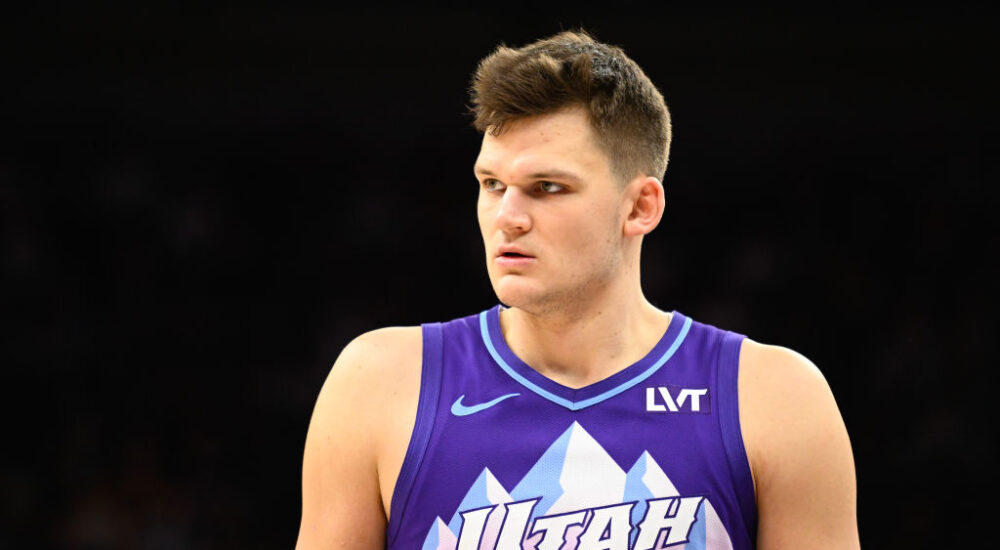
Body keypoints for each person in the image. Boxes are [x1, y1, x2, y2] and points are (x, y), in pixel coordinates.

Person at [296, 30, 859, 550]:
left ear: (640, 207)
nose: (507, 216)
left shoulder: (775, 398)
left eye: (546, 187)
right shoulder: (380, 383)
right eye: (492, 184)